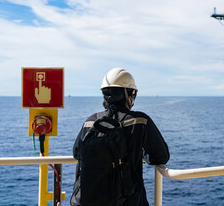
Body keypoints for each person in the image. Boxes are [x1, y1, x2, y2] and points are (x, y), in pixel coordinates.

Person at [71, 68, 170, 206]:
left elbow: (76, 153)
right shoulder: (140, 121)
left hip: (90, 200)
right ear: (129, 95)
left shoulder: (91, 122)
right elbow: (161, 157)